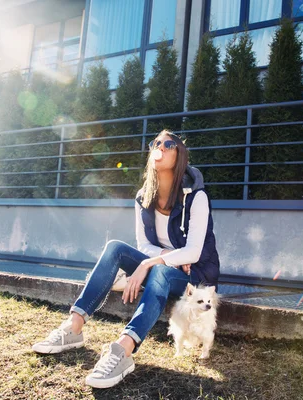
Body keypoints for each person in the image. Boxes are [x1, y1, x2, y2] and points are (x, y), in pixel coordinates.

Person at [32, 129, 220, 389]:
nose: (160, 147)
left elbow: (194, 252)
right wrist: (162, 256)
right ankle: (73, 328)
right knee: (114, 248)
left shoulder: (196, 196)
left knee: (160, 272)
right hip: (163, 266)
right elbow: (144, 245)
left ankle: (124, 350)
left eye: (168, 144)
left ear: (181, 157)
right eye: (156, 143)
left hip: (195, 277)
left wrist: (148, 263)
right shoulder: (144, 197)